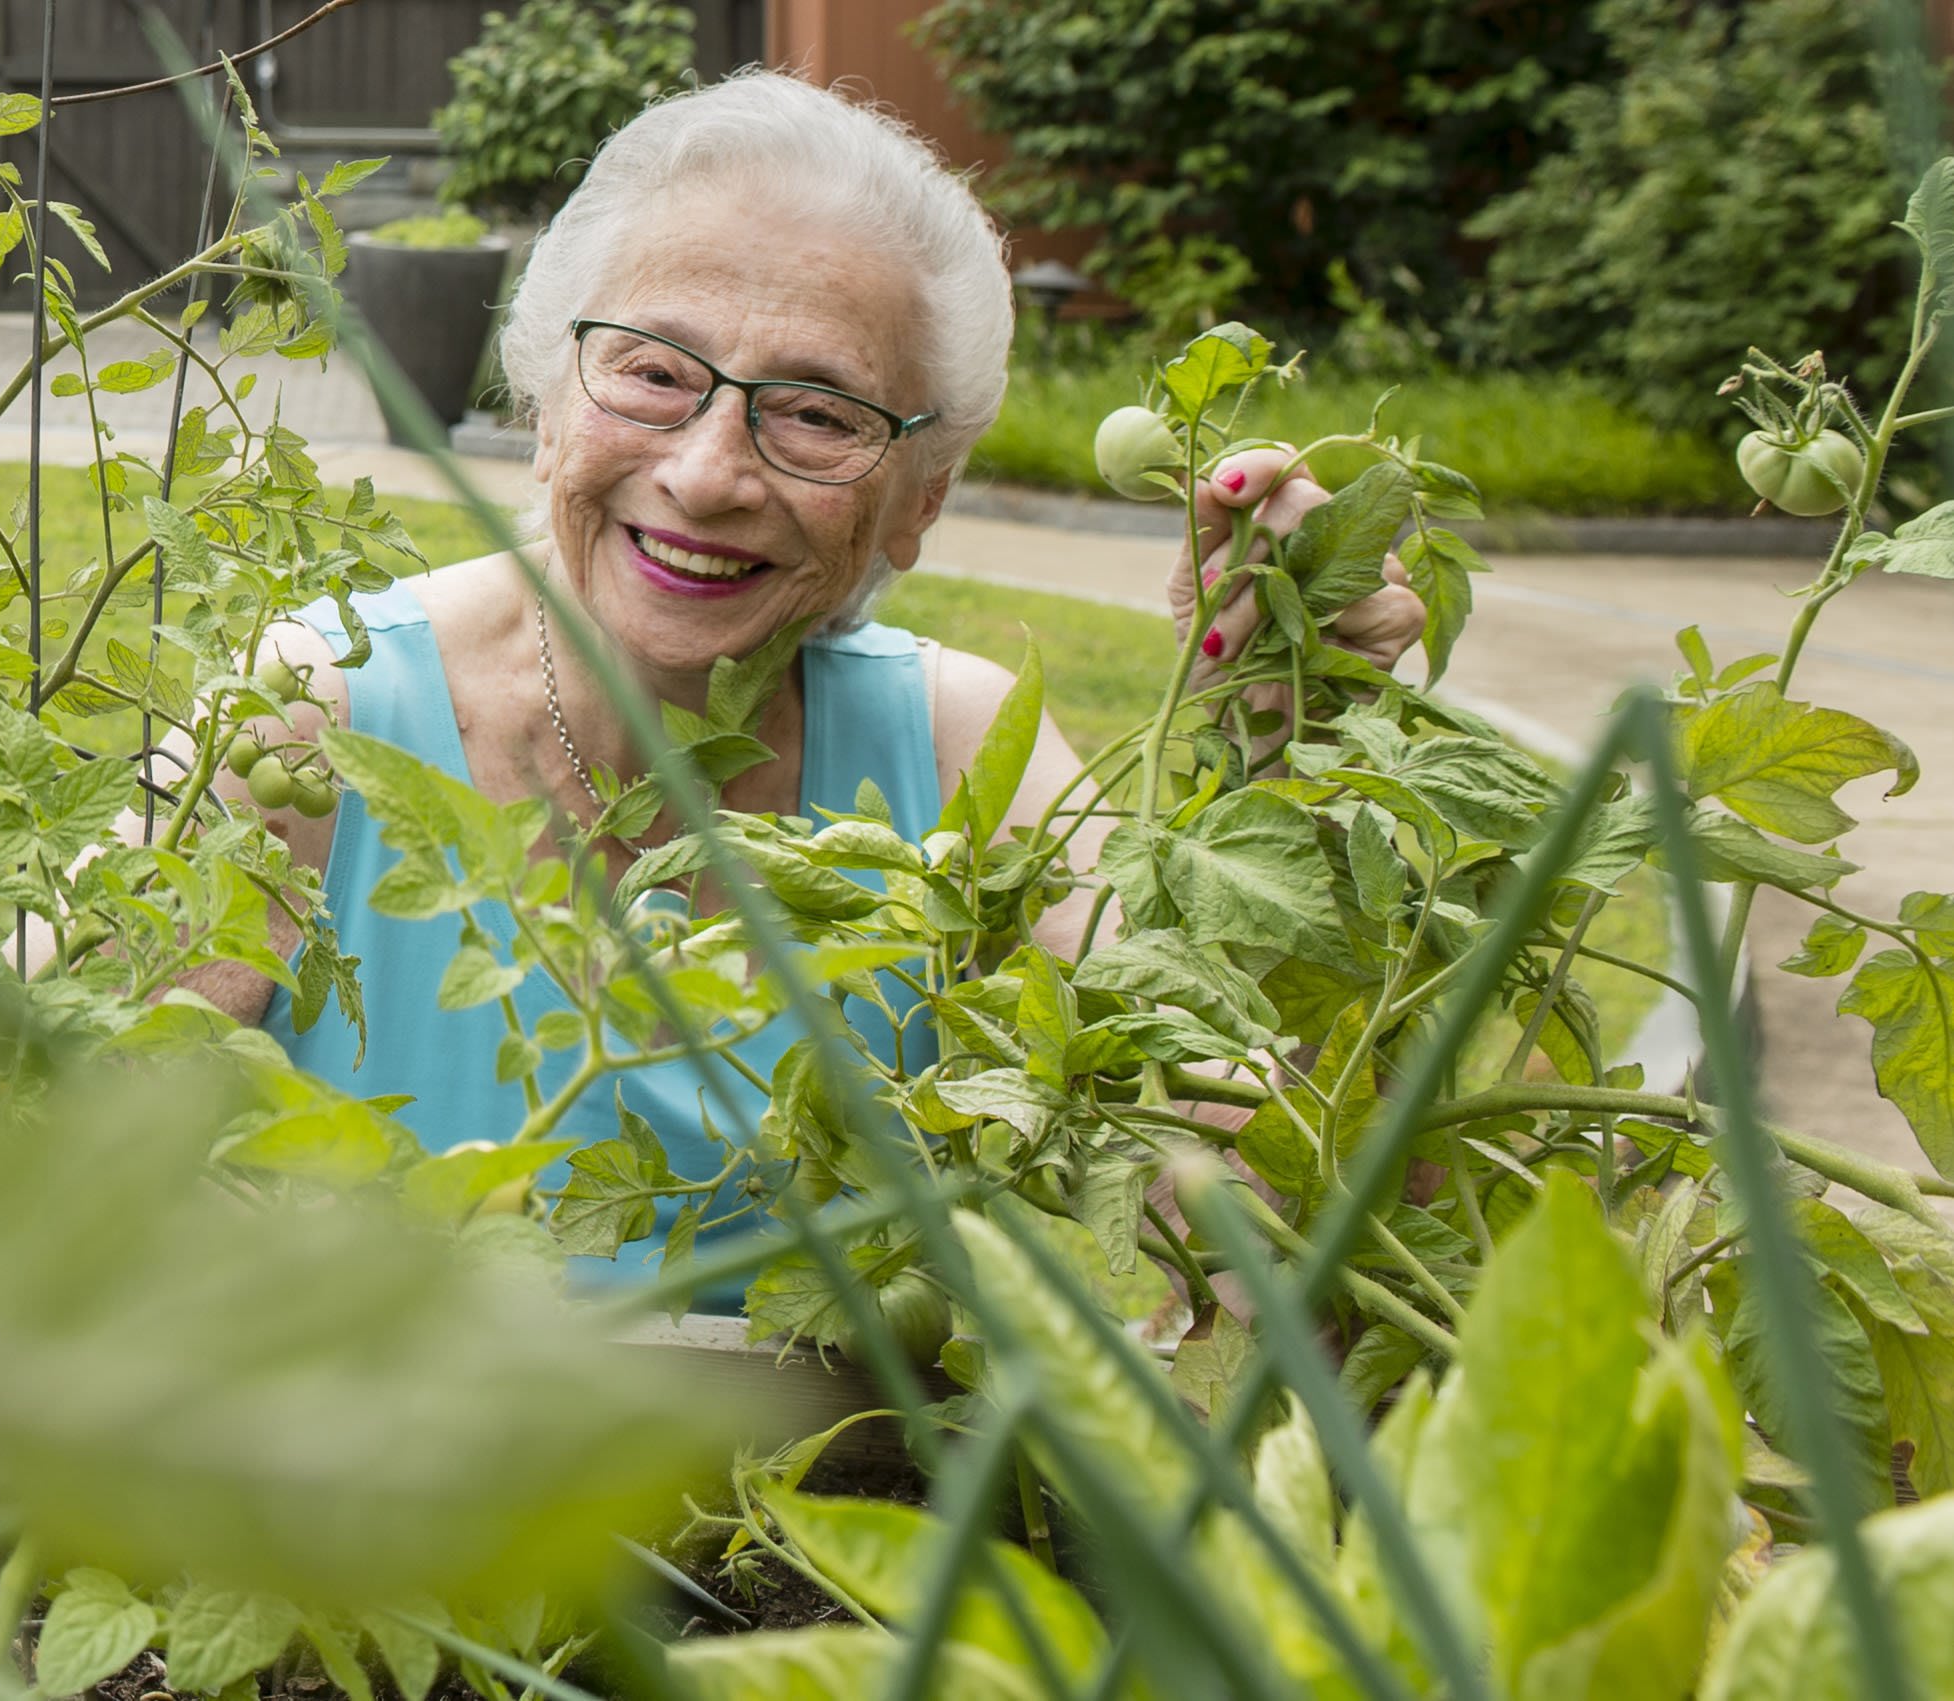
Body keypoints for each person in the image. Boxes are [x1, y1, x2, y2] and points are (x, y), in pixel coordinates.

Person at [177, 72, 1425, 1283]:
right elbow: (35, 1115)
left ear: (915, 505)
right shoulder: (314, 714)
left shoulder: (953, 753)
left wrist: (1295, 752)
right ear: (544, 405)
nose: (710, 473)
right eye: (655, 373)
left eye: (817, 412)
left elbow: (1255, 1202)